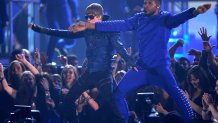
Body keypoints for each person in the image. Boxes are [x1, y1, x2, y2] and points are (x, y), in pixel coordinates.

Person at [70, 0, 211, 122]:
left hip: (160, 70)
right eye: (145, 2)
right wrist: (90, 25)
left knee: (178, 95)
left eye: (149, 3)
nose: (146, 5)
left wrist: (194, 12)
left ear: (157, 5)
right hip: (141, 68)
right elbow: (120, 24)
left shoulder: (165, 18)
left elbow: (178, 19)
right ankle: (124, 120)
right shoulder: (139, 18)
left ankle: (191, 121)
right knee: (118, 94)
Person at [29, 3, 134, 123]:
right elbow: (63, 33)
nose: (88, 20)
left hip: (104, 74)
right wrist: (41, 29)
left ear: (99, 16)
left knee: (112, 104)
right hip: (89, 73)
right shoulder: (87, 31)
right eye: (87, 17)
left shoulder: (110, 30)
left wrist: (130, 61)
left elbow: (119, 47)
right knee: (69, 99)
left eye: (91, 17)